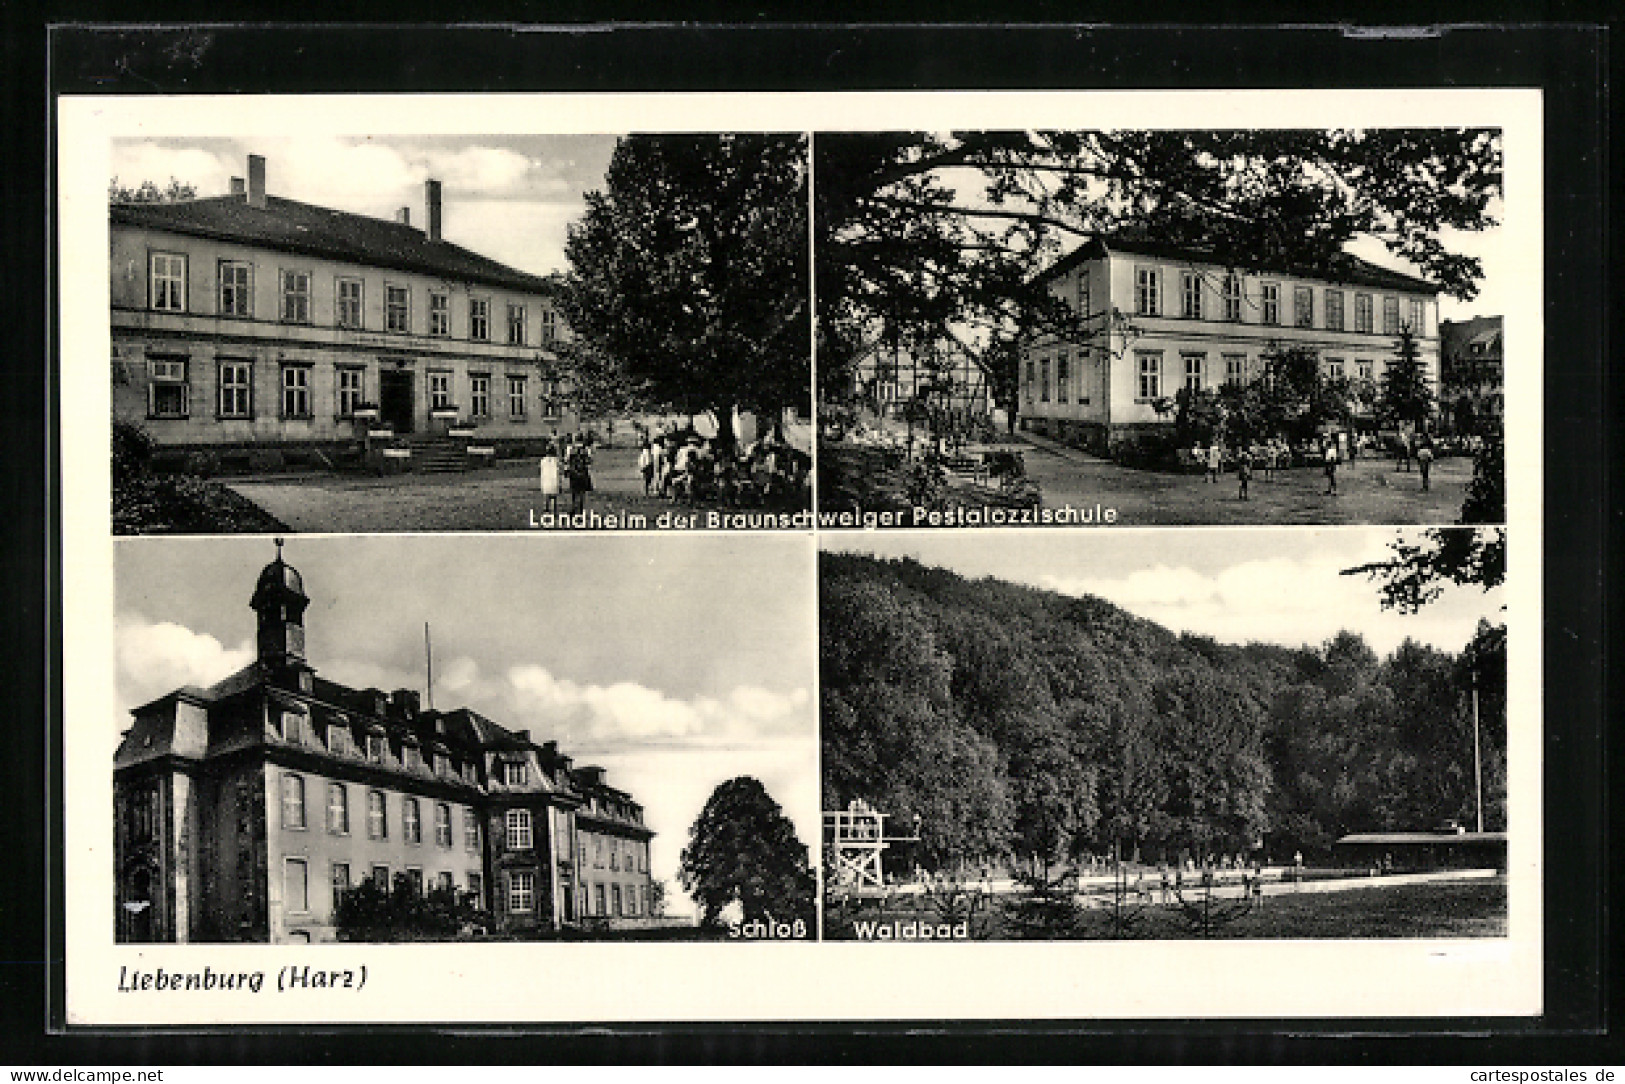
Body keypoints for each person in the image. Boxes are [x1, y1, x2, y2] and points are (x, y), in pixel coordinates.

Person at [566, 434, 594, 515]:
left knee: (574, 491)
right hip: (583, 472)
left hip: (574, 472)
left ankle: (574, 507)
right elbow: (589, 461)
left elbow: (567, 460)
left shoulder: (571, 449)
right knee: (582, 492)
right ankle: (580, 509)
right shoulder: (586, 449)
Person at [537, 437, 561, 515]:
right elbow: (560, 469)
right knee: (554, 497)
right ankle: (553, 511)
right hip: (554, 480)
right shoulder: (556, 461)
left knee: (546, 497)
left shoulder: (543, 460)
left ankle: (546, 510)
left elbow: (540, 469)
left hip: (546, 480)